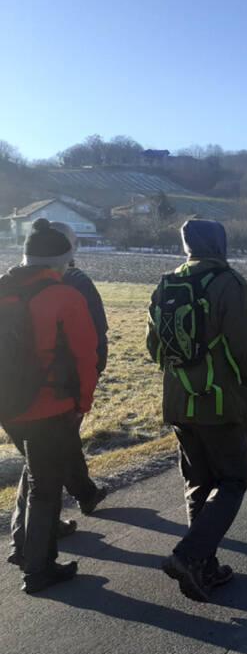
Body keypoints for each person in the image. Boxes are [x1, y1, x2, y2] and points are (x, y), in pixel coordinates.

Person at [147, 219, 247, 602]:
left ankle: (205, 568)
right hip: (219, 398)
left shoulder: (167, 283)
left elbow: (153, 347)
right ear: (219, 243)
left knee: (198, 482)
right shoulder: (228, 283)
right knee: (234, 478)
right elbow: (244, 348)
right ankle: (189, 556)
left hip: (178, 399)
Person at [1, 219, 99, 594]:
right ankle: (38, 569)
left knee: (33, 473)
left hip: (8, 405)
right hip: (49, 406)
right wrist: (82, 403)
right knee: (46, 487)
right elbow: (84, 357)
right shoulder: (65, 296)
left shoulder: (3, 288)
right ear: (60, 261)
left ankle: (22, 547)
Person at [49, 223, 109, 518]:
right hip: (69, 380)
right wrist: (94, 375)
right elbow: (97, 335)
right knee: (52, 451)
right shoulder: (77, 281)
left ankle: (84, 493)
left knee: (54, 446)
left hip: (26, 383)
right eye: (74, 242)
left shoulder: (18, 281)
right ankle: (35, 534)